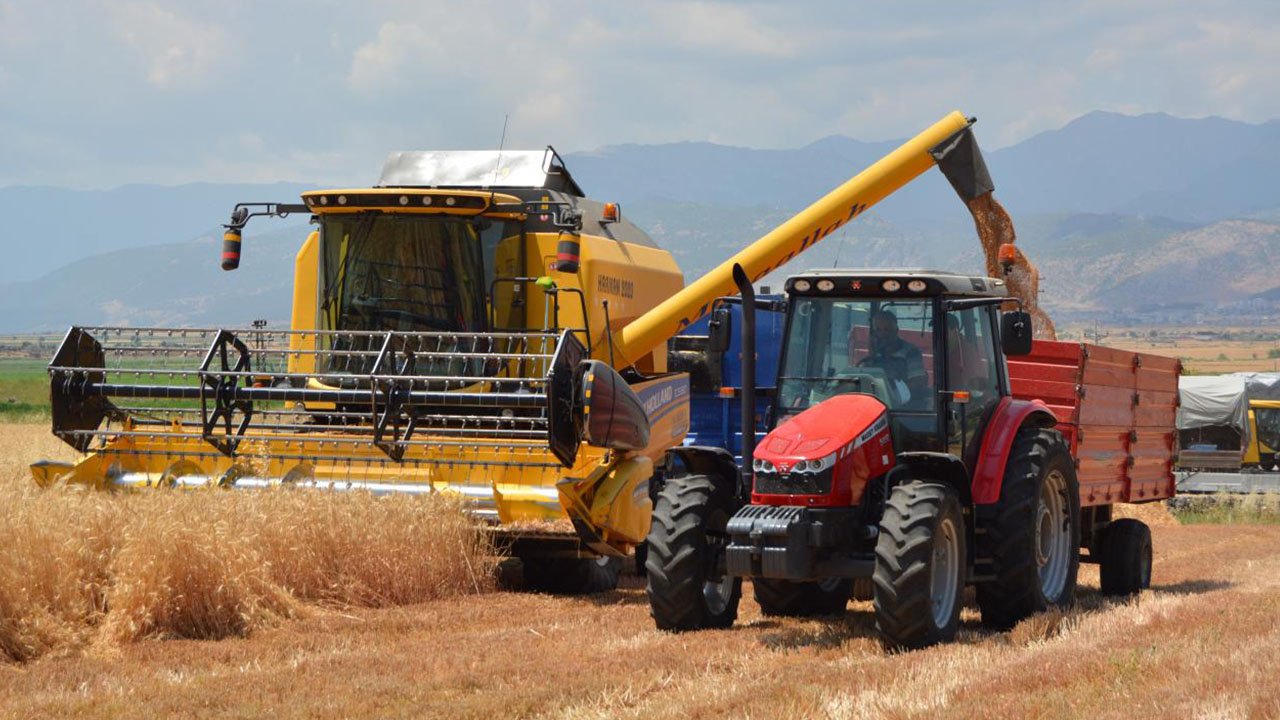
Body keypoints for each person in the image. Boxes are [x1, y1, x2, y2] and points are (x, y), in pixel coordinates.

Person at [859, 309, 928, 405]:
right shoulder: (874, 353)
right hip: (875, 406)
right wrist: (872, 356)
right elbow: (862, 380)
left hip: (906, 409)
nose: (883, 334)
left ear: (896, 331)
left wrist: (890, 394)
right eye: (878, 330)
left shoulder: (910, 352)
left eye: (887, 329)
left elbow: (917, 385)